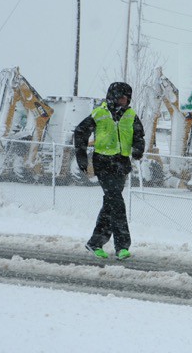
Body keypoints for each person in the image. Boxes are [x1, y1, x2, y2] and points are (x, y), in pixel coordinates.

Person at [73, 82, 145, 260]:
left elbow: (139, 136)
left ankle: (95, 242)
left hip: (121, 164)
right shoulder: (100, 113)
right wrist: (82, 158)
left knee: (110, 204)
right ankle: (122, 246)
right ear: (113, 97)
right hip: (103, 163)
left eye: (127, 98)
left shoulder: (131, 115)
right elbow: (80, 132)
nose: (125, 101)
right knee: (117, 202)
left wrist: (138, 150)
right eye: (122, 97)